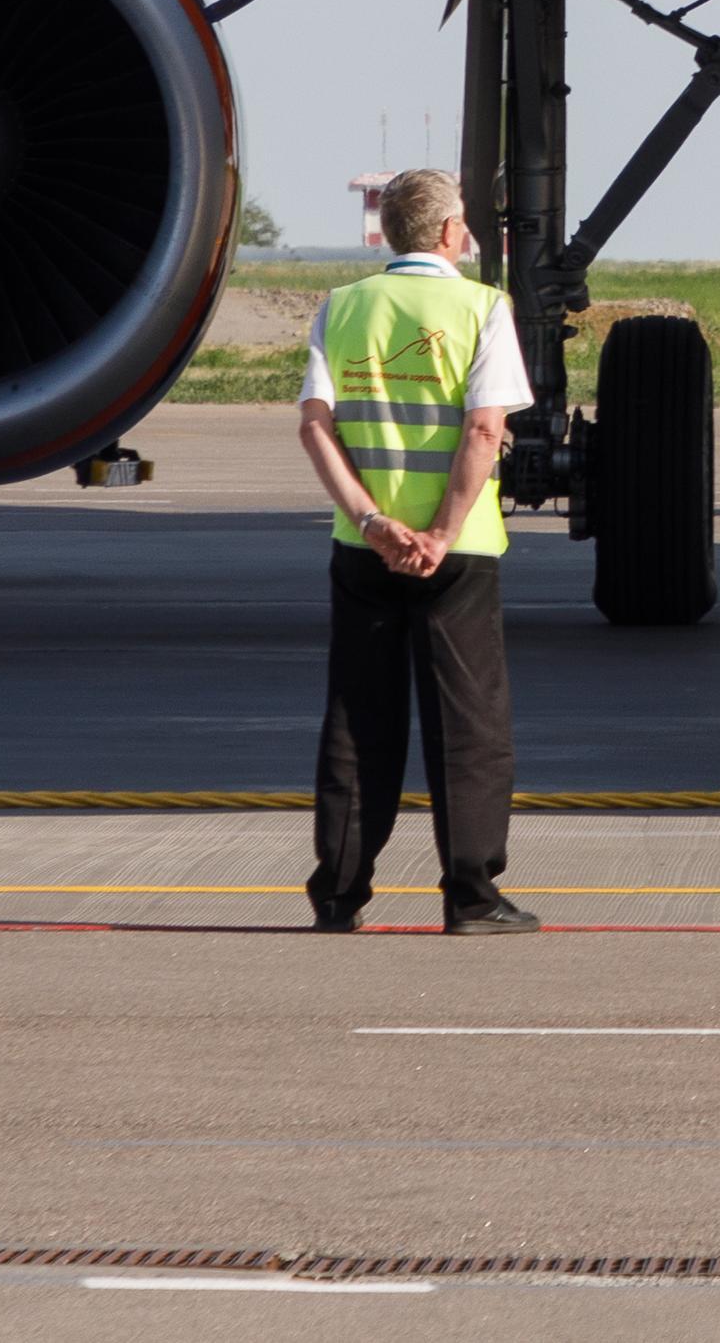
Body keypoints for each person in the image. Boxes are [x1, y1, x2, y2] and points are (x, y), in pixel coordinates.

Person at [296, 167, 535, 934]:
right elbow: (482, 431)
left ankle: (339, 891)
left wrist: (370, 520)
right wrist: (438, 531)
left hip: (363, 550)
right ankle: (471, 896)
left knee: (358, 720)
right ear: (444, 232)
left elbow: (314, 426)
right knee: (466, 726)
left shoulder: (343, 306)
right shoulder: (482, 308)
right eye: (463, 221)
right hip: (456, 554)